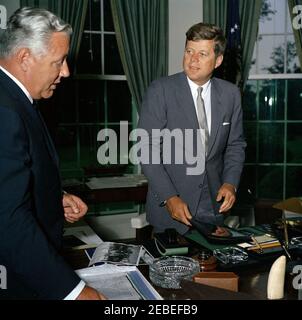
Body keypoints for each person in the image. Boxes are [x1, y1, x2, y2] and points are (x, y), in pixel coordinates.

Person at [0, 7, 106, 300]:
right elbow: (6, 220)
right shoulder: (5, 110)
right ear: (25, 58)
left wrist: (52, 197)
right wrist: (75, 291)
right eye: (58, 62)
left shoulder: (16, 99)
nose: (66, 71)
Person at [138, 22, 246, 235]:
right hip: (171, 209)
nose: (193, 59)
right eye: (189, 51)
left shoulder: (231, 94)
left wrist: (230, 183)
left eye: (202, 54)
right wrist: (170, 197)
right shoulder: (160, 90)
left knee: (215, 268)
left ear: (218, 60)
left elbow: (236, 144)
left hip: (213, 208)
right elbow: (147, 149)